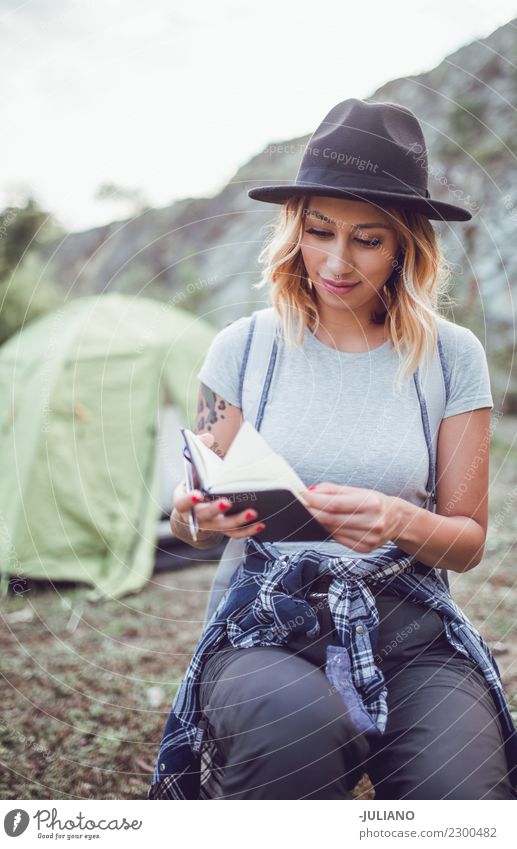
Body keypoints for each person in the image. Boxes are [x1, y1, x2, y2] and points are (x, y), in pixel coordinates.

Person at [147, 98, 517, 801]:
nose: (336, 261)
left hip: (411, 632)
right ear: (295, 229)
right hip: (264, 625)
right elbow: (190, 510)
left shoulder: (451, 357)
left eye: (367, 239)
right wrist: (195, 513)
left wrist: (397, 520)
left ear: (407, 243)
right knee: (292, 731)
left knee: (465, 800)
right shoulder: (242, 348)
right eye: (319, 231)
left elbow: (467, 541)